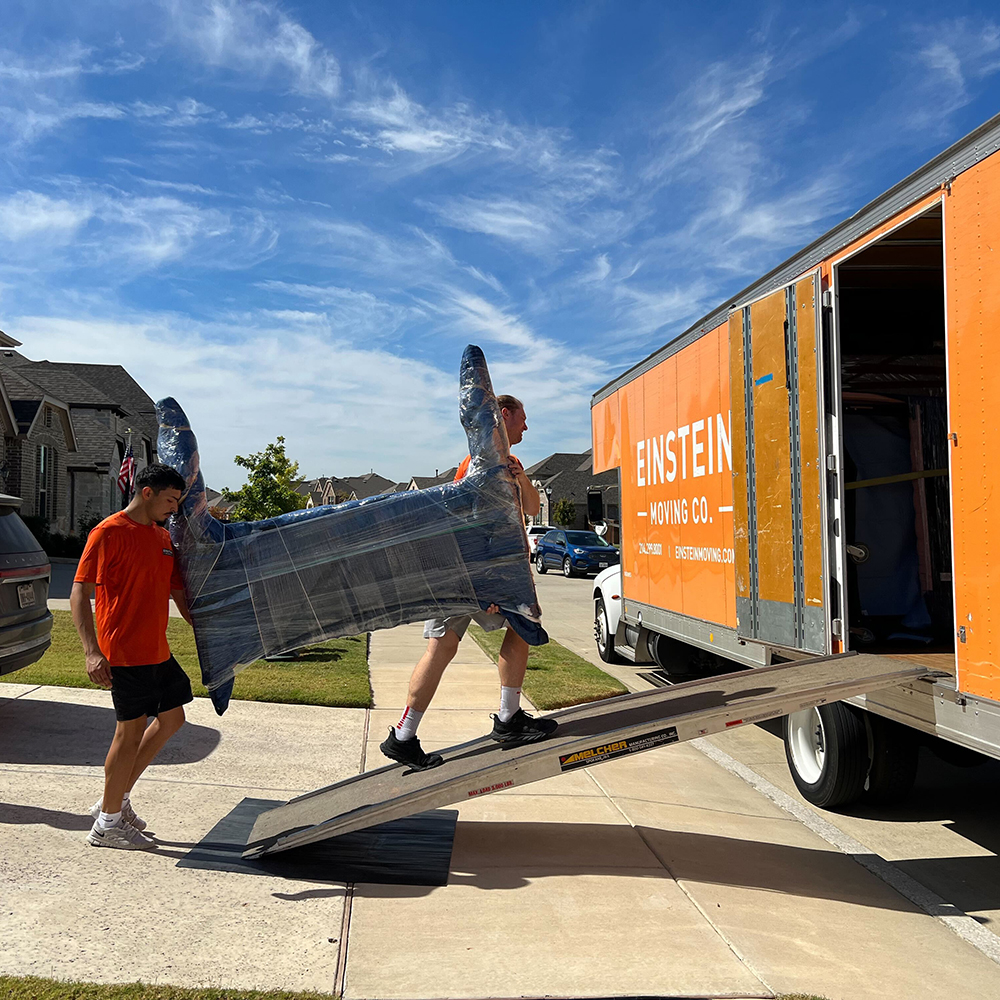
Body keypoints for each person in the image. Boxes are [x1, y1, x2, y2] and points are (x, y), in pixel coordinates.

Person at [380, 394, 557, 771]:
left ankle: (404, 736)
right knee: (518, 627)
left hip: (469, 573)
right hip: (471, 572)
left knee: (445, 648)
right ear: (504, 415)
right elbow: (470, 528)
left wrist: (522, 477)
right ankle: (506, 720)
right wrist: (484, 585)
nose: (526, 427)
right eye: (523, 419)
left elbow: (531, 508)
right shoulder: (479, 464)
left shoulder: (508, 463)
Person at [72, 463, 195, 850]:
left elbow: (177, 592)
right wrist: (92, 652)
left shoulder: (161, 537)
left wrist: (206, 628)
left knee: (173, 718)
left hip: (157, 648)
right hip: (124, 650)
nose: (174, 508)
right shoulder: (108, 533)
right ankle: (107, 824)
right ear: (147, 492)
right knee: (128, 734)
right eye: (171, 499)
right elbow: (80, 593)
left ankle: (115, 800)